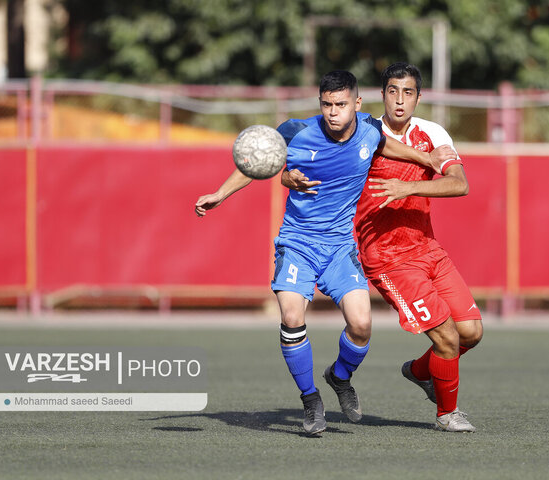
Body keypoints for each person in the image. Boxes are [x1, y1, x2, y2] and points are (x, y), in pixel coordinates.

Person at [195, 70, 456, 436]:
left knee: (362, 324)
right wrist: (220, 194)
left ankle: (339, 376)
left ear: (357, 104)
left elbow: (385, 145)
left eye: (341, 105)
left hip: (338, 249)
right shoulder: (296, 131)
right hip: (298, 244)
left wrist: (423, 159)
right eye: (327, 104)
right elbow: (256, 161)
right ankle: (310, 399)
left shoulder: (368, 129)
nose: (333, 112)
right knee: (290, 315)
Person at [282, 63, 483, 432]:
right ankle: (447, 414)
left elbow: (459, 184)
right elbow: (311, 163)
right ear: (381, 95)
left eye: (408, 93)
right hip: (387, 258)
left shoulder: (432, 133)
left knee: (471, 333)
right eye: (393, 91)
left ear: (419, 98)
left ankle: (420, 371)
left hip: (428, 248)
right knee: (447, 337)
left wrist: (409, 188)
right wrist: (287, 177)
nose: (400, 100)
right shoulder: (363, 133)